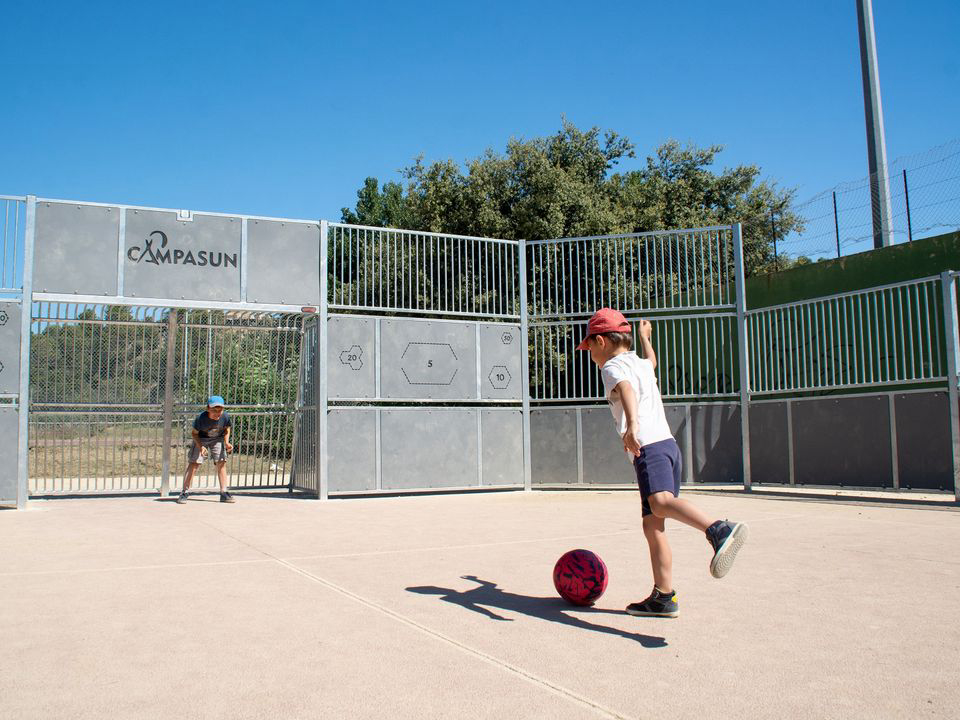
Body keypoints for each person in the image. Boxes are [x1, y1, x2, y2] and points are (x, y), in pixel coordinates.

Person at [577, 308, 747, 617]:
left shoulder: (613, 367)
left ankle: (719, 529)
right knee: (652, 525)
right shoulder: (641, 363)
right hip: (668, 446)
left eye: (589, 348)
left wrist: (631, 427)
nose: (590, 355)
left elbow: (626, 390)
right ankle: (663, 596)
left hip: (649, 446)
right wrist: (645, 340)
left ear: (600, 341)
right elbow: (652, 363)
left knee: (659, 502)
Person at [176, 395, 235, 504]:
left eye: (220, 409)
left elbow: (227, 429)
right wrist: (200, 446)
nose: (217, 412)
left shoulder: (225, 416)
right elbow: (194, 434)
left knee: (221, 462)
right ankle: (184, 492)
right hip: (201, 438)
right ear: (207, 408)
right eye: (214, 410)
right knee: (194, 464)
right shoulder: (201, 418)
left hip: (217, 439)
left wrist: (226, 442)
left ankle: (224, 492)